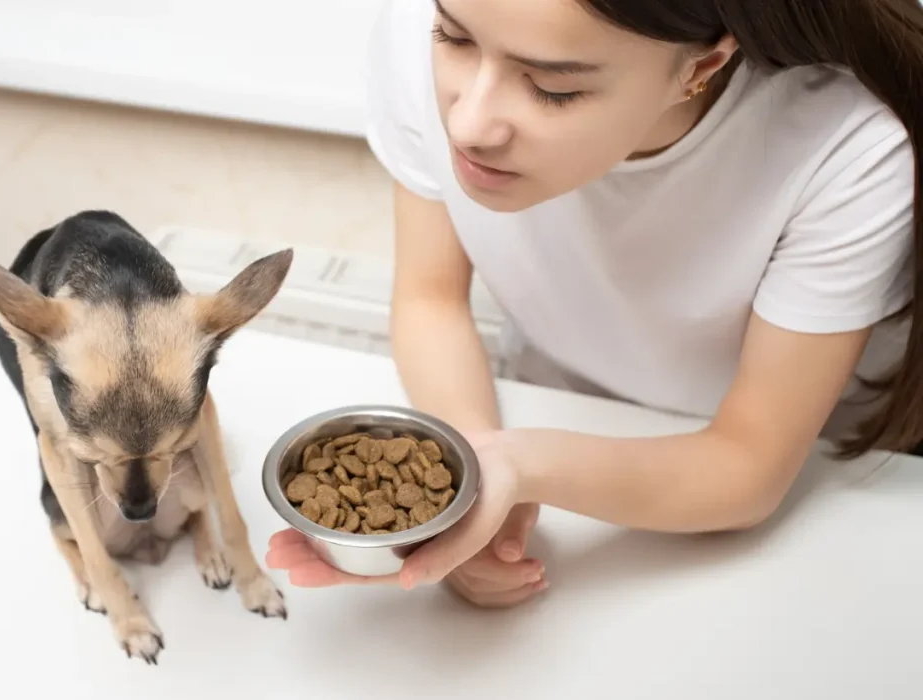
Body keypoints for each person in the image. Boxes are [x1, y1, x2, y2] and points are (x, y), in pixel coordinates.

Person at [266, 0, 923, 608]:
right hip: (554, 406)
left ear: (702, 65)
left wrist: (520, 467)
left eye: (553, 88)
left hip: (824, 506)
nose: (468, 122)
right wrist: (471, 485)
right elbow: (431, 300)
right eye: (454, 39)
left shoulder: (850, 145)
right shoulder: (442, 20)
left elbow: (750, 464)